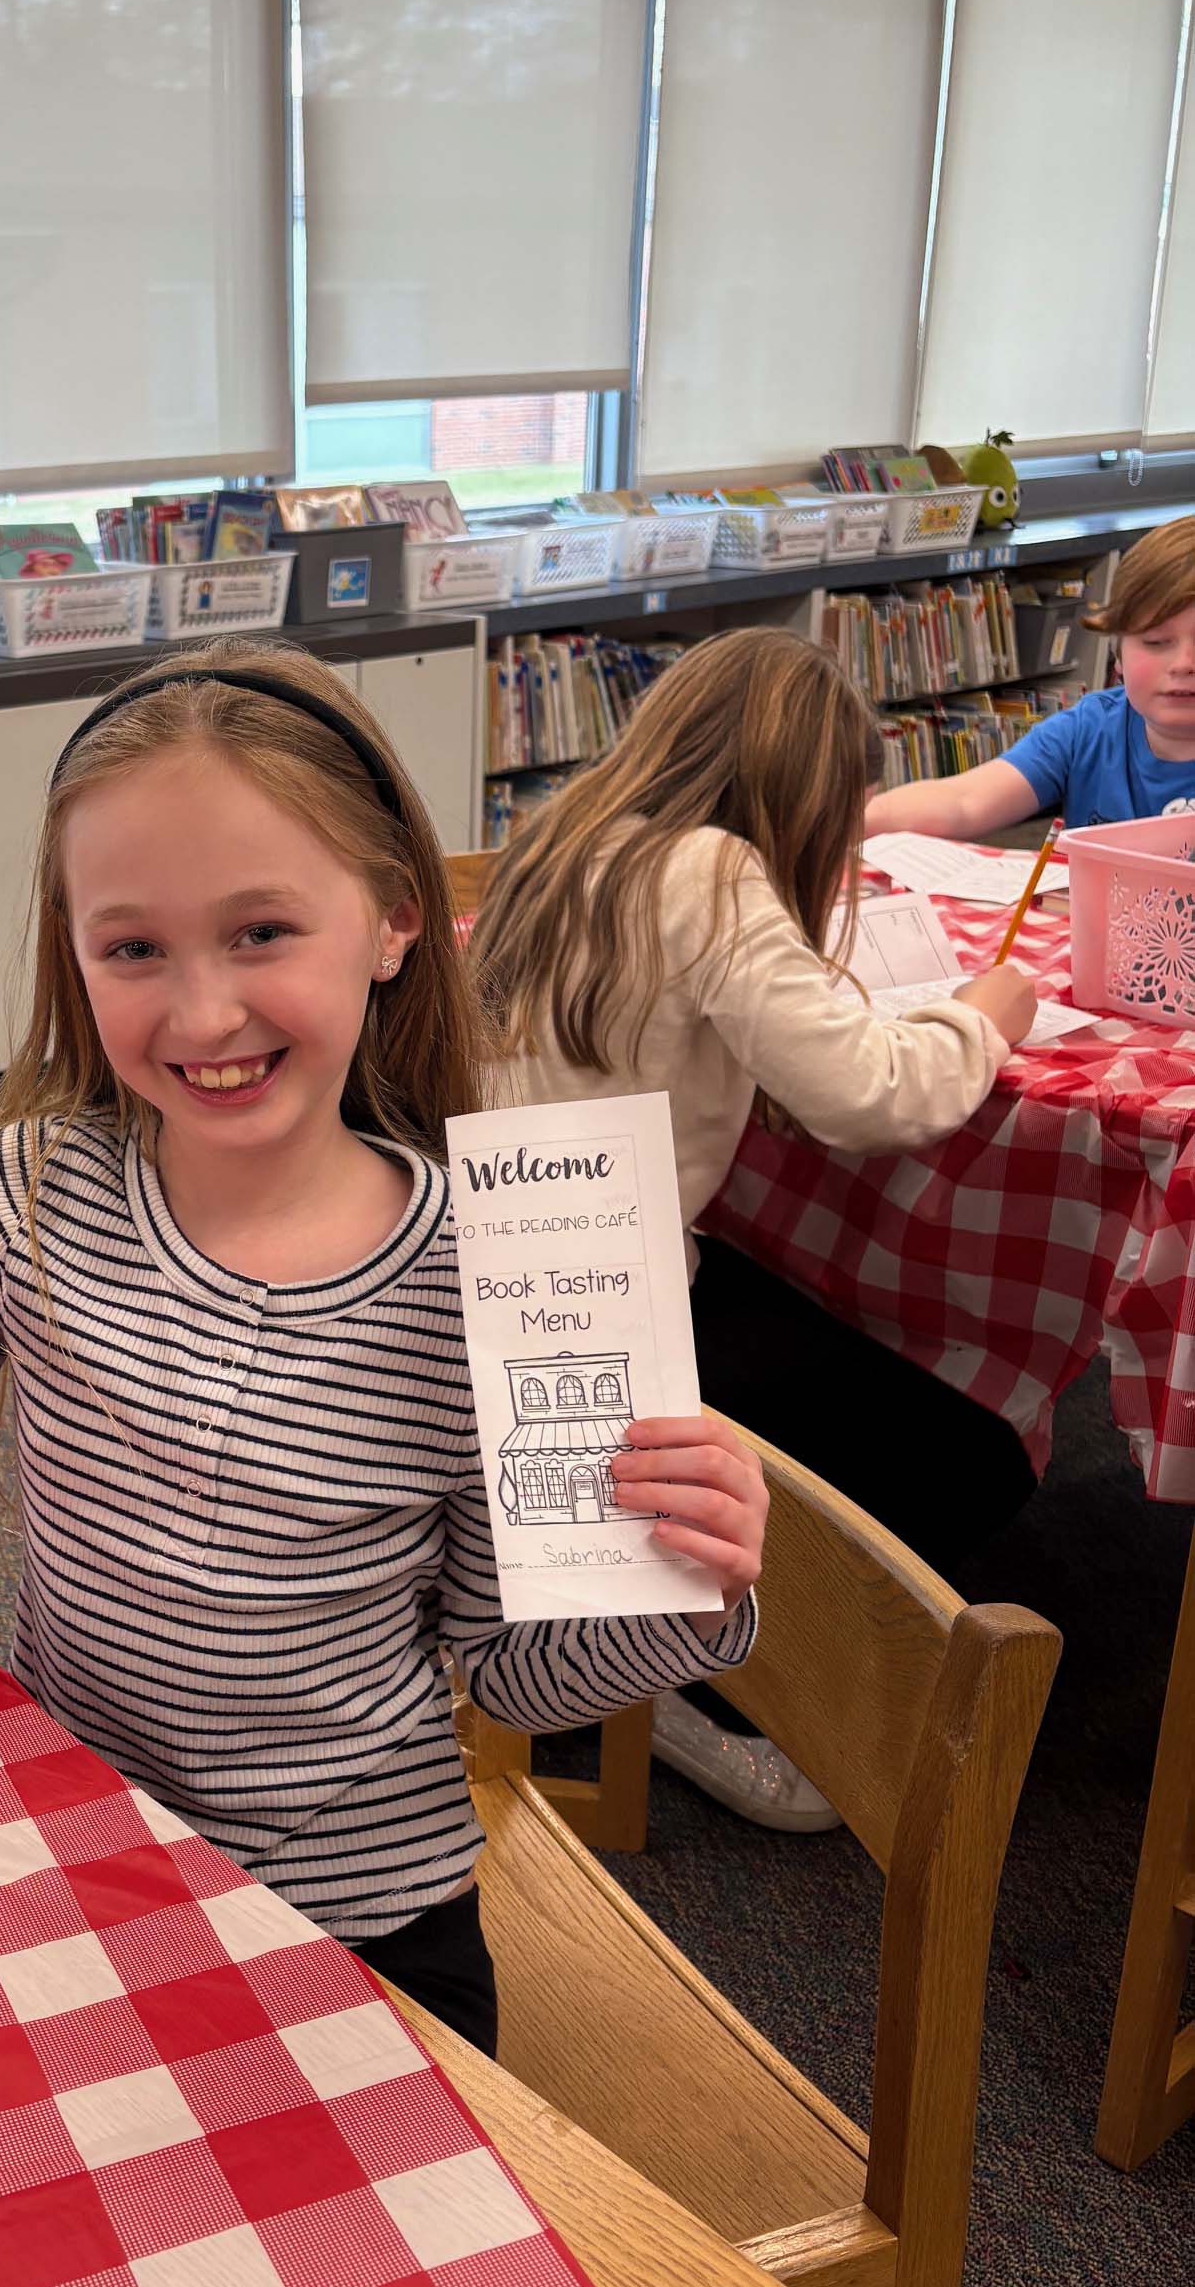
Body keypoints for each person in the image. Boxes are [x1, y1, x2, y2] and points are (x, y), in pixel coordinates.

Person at [0, 640, 769, 2057]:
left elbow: (508, 1678)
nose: (202, 1014)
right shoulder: (23, 1191)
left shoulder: (501, 1276)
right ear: (72, 954)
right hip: (75, 1856)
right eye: (133, 948)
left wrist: (674, 1586)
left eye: (261, 932)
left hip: (363, 1920)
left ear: (395, 923)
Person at [469, 627, 1036, 1830]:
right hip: (597, 1305)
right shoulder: (713, 870)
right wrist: (990, 1015)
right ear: (799, 794)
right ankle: (701, 1681)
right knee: (969, 1460)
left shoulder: (571, 830)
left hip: (515, 1266)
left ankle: (645, 1625)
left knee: (798, 1316)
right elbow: (870, 1095)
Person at [865, 513, 1195, 836]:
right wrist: (851, 823)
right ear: (1117, 653)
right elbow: (964, 800)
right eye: (1155, 642)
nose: (1183, 664)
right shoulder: (1088, 731)